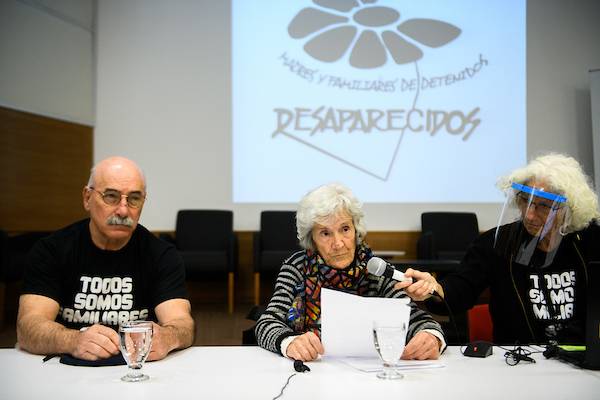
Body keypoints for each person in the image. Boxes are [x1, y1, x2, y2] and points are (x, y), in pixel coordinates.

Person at [397, 153, 600, 344]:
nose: (529, 215)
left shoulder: (590, 241)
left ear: (566, 209)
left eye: (543, 206)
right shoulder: (496, 242)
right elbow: (459, 291)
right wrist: (436, 290)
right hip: (518, 362)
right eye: (524, 201)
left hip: (581, 360)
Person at [17, 156, 195, 361]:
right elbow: (28, 327)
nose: (123, 210)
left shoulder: (161, 254)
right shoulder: (51, 250)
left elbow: (182, 323)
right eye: (111, 196)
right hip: (64, 369)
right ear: (87, 198)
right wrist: (73, 340)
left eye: (134, 198)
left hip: (140, 371)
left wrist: (168, 337)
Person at [255, 183, 445, 362]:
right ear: (311, 238)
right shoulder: (297, 267)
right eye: (325, 233)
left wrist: (431, 337)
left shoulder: (376, 269)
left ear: (356, 229)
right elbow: (267, 322)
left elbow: (415, 319)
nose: (338, 243)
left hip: (369, 376)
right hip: (313, 370)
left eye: (345, 229)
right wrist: (289, 342)